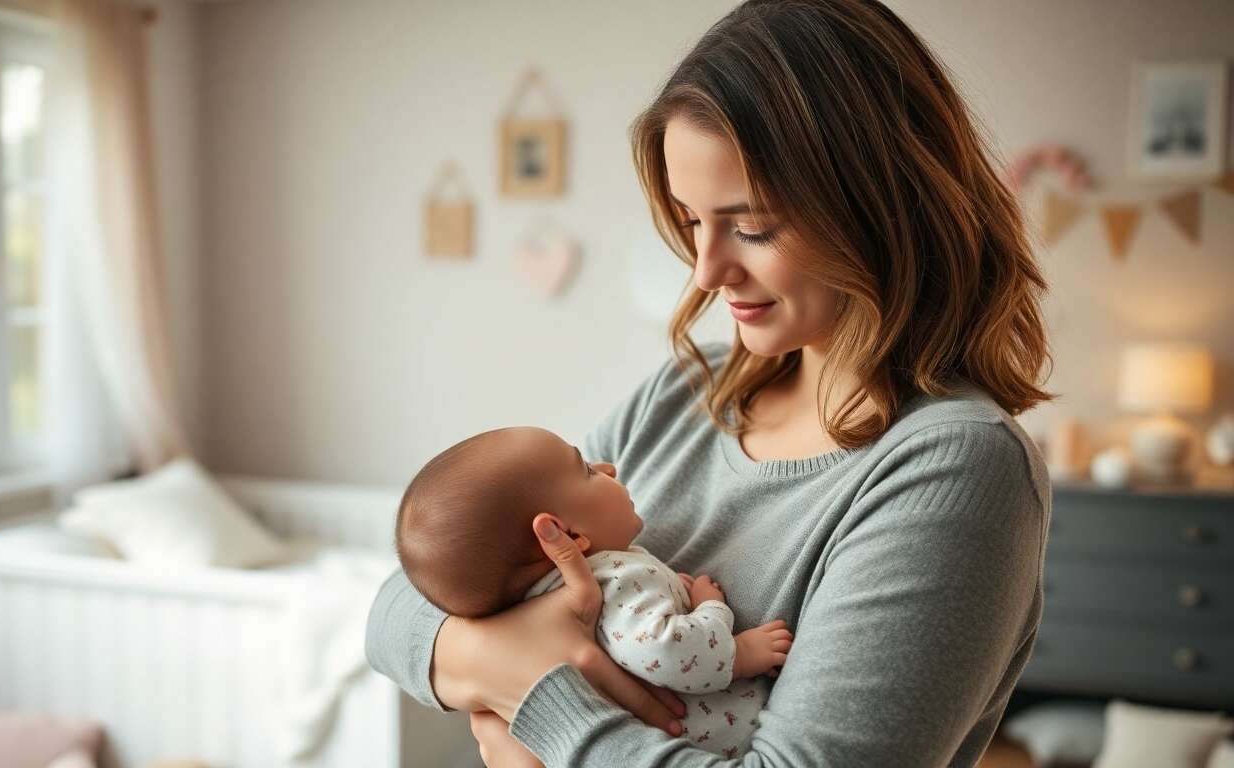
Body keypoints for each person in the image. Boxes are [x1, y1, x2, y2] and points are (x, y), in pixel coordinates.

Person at [365, 0, 1054, 764]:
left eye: (751, 226)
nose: (705, 271)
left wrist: (537, 701)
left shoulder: (954, 467)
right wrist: (502, 659)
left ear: (880, 207)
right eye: (691, 221)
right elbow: (402, 604)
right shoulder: (693, 394)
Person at [394, 425, 796, 758]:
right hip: (716, 741)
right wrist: (726, 633)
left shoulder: (552, 596)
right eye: (587, 471)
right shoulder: (615, 576)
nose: (610, 467)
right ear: (567, 535)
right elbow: (666, 650)